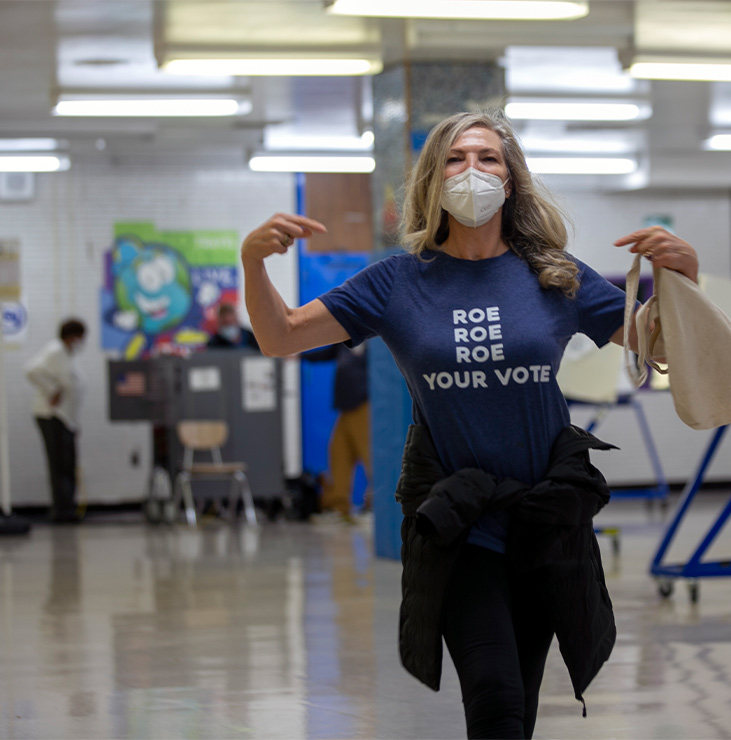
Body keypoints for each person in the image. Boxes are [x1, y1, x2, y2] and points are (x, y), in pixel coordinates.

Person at [241, 110, 698, 739]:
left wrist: (684, 280)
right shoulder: (397, 282)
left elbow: (662, 349)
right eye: (455, 159)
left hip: (544, 520)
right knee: (495, 701)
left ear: (511, 180)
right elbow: (279, 335)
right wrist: (253, 265)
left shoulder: (554, 275)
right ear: (433, 180)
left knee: (521, 708)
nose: (472, 171)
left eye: (488, 158)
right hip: (459, 522)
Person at [24, 318, 87, 524]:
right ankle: (61, 510)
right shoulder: (56, 350)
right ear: (72, 336)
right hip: (52, 416)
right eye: (79, 337)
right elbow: (32, 370)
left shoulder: (67, 354)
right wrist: (52, 389)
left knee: (68, 464)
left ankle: (67, 506)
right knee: (59, 464)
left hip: (65, 419)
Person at [302, 343, 370, 523]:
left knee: (371, 458)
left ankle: (376, 508)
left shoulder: (375, 341)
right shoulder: (345, 341)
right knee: (339, 453)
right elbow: (322, 354)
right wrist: (297, 355)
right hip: (345, 409)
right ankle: (340, 508)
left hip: (364, 406)